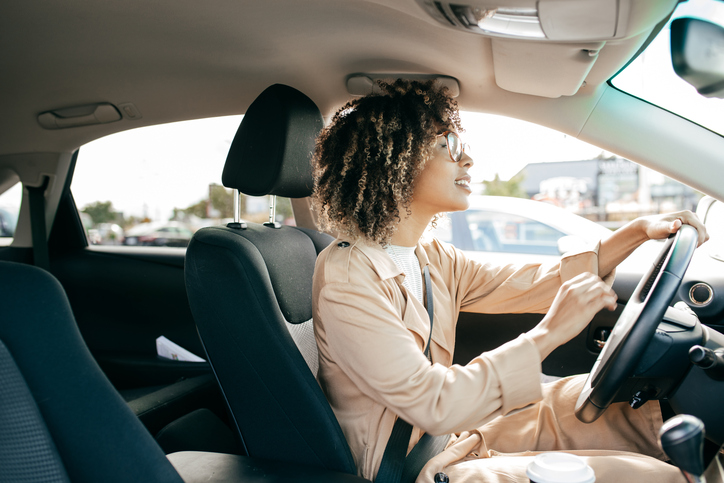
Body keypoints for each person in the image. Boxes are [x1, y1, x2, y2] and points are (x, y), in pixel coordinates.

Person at [310, 79, 709, 483]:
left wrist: (637, 232)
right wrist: (549, 332)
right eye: (448, 145)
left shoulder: (430, 257)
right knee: (651, 477)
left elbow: (540, 282)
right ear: (393, 160)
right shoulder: (347, 278)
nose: (467, 160)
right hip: (413, 467)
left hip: (452, 434)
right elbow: (432, 402)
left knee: (633, 410)